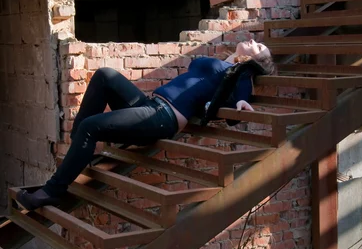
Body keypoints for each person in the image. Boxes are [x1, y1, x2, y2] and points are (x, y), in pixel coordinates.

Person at [16, 40, 275, 211]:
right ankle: (79, 151)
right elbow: (211, 74)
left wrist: (241, 105)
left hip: (163, 118)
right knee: (105, 75)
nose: (252, 40)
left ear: (255, 63)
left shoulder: (242, 76)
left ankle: (52, 191)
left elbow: (240, 96)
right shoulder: (230, 67)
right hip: (150, 105)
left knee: (90, 128)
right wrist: (234, 57)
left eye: (258, 45)